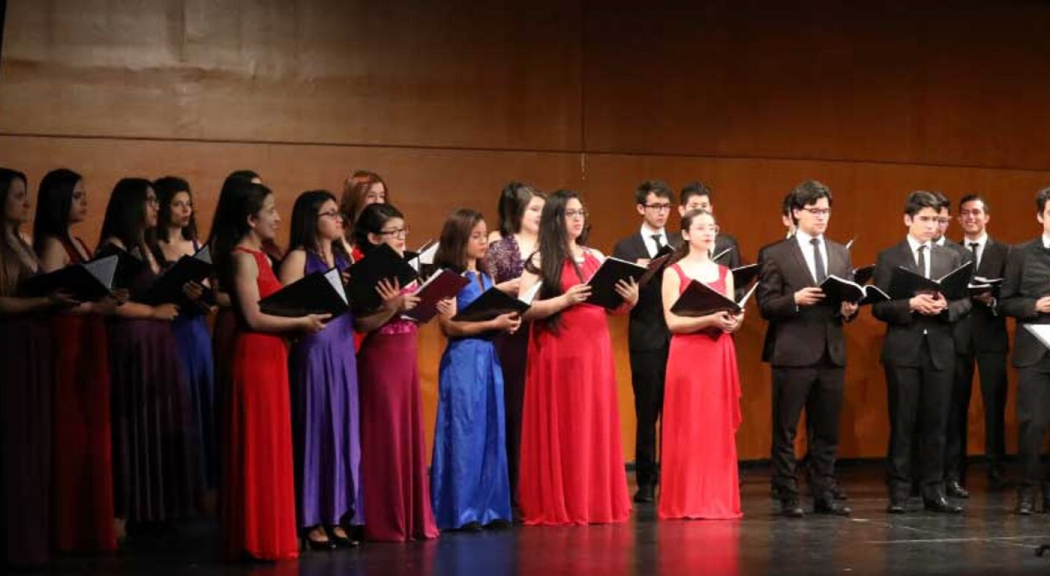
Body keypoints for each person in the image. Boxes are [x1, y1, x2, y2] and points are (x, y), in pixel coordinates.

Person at [217, 181, 328, 560]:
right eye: (270, 210)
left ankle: (270, 534)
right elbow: (251, 317)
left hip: (273, 357)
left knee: (272, 444)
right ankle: (253, 535)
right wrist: (301, 323)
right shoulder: (241, 257)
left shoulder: (262, 257)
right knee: (256, 444)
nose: (279, 217)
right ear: (251, 218)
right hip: (254, 358)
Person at [517, 190, 638, 525]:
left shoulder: (596, 255)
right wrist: (564, 300)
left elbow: (611, 307)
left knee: (592, 422)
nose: (577, 218)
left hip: (594, 350)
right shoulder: (542, 258)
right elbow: (525, 310)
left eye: (581, 212)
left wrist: (630, 298)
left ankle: (594, 500)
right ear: (556, 218)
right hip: (558, 350)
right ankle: (563, 501)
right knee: (565, 423)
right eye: (570, 213)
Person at [99, 178, 197, 532]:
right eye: (151, 201)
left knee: (159, 422)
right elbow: (108, 306)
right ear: (131, 206)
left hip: (157, 343)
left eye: (158, 201)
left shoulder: (147, 245)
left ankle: (156, 506)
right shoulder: (112, 249)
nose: (157, 207)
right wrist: (152, 313)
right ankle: (128, 509)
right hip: (134, 343)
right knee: (134, 422)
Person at [757, 180, 856, 518]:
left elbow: (846, 297)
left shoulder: (840, 252)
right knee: (785, 428)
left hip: (831, 351)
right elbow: (766, 304)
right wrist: (794, 300)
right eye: (815, 211)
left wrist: (849, 310)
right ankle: (787, 494)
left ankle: (824, 492)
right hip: (793, 351)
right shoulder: (775, 253)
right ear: (796, 213)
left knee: (826, 429)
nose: (822, 217)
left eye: (826, 211)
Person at [33, 168, 119, 553]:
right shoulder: (52, 245)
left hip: (91, 336)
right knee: (72, 431)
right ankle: (69, 528)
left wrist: (110, 297)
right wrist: (94, 304)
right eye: (78, 196)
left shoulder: (80, 243)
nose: (85, 202)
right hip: (69, 340)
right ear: (60, 200)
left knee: (92, 432)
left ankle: (89, 524)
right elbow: (56, 301)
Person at [872, 190, 971, 514]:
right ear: (908, 220)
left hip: (940, 349)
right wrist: (910, 304)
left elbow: (965, 301)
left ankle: (934, 490)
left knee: (937, 423)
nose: (932, 226)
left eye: (936, 220)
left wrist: (946, 307)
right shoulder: (889, 256)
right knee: (903, 422)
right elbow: (879, 307)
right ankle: (899, 492)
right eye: (925, 219)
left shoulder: (952, 257)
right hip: (904, 349)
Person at [353, 203, 440, 542]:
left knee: (406, 435)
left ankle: (412, 515)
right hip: (380, 360)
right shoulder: (364, 271)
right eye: (394, 232)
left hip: (406, 358)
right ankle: (385, 518)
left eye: (404, 231)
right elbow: (361, 323)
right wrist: (392, 308)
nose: (403, 238)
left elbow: (413, 314)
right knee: (385, 436)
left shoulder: (406, 266)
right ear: (374, 237)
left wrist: (432, 302)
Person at [280, 190, 361, 549]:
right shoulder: (299, 256)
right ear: (311, 219)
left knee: (341, 432)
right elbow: (285, 306)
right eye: (329, 214)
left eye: (338, 213)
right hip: (314, 347)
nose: (337, 218)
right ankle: (311, 517)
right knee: (316, 428)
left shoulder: (343, 255)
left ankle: (336, 513)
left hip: (343, 347)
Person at [0, 168, 73, 568]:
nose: (25, 202)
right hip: (10, 345)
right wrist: (44, 303)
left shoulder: (24, 242)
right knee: (14, 443)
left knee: (34, 441)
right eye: (17, 195)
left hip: (33, 343)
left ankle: (31, 537)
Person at [430, 209, 518, 530]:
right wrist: (492, 322)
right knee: (466, 432)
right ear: (460, 239)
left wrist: (504, 322)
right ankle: (461, 509)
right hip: (464, 360)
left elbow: (490, 314)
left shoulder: (486, 277)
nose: (483, 242)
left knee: (490, 428)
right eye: (476, 236)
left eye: (485, 235)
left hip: (488, 356)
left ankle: (489, 507)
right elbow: (449, 327)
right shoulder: (449, 279)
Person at [658, 208, 744, 520]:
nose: (709, 233)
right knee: (688, 426)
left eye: (712, 227)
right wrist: (708, 318)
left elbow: (731, 312)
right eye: (701, 228)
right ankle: (686, 499)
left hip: (718, 353)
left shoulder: (726, 273)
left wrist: (734, 323)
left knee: (715, 427)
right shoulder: (673, 272)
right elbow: (672, 322)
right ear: (685, 234)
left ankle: (716, 498)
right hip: (688, 355)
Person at [612, 180, 681, 503]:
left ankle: (676, 478)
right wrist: (637, 276)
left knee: (677, 413)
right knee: (647, 412)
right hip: (646, 335)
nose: (662, 213)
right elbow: (616, 295)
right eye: (655, 206)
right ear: (641, 208)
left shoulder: (680, 242)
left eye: (666, 207)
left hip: (679, 336)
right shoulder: (625, 247)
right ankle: (647, 482)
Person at [151, 176, 218, 513]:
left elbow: (212, 296)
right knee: (175, 404)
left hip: (196, 330)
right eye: (178, 203)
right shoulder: (152, 247)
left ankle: (200, 491)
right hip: (169, 331)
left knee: (201, 405)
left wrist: (200, 295)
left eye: (188, 203)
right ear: (162, 207)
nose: (185, 210)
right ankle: (173, 490)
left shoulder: (196, 244)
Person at [946, 194, 1011, 496]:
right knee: (955, 406)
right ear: (959, 219)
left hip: (991, 337)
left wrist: (994, 299)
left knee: (994, 404)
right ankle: (954, 471)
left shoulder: (1006, 252)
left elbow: (1012, 296)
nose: (971, 218)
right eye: (965, 214)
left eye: (976, 213)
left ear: (987, 217)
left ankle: (996, 469)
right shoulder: (950, 252)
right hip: (957, 336)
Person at [485, 182, 544, 514]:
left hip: (547, 333)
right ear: (517, 212)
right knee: (513, 412)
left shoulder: (555, 245)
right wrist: (508, 288)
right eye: (534, 209)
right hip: (511, 335)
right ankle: (512, 495)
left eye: (542, 209)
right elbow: (482, 290)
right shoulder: (500, 246)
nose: (540, 215)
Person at [1000, 187, 1050, 514]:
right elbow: (1005, 301)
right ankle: (1028, 492)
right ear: (1040, 216)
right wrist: (1035, 305)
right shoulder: (1020, 253)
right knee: (1033, 423)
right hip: (1035, 349)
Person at [679, 182, 741, 269]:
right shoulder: (673, 245)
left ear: (711, 209)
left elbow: (738, 278)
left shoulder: (728, 245)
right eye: (694, 206)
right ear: (682, 210)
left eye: (704, 206)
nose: (700, 211)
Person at [339, 170, 389, 260]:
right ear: (354, 198)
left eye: (382, 196)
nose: (378, 201)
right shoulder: (339, 229)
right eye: (371, 196)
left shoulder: (388, 229)